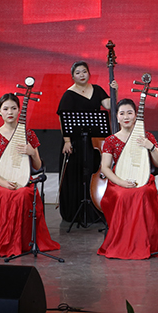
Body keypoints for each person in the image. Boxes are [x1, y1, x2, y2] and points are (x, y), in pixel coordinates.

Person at [97, 98, 158, 259]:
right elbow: (105, 167)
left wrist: (150, 147)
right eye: (122, 113)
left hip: (143, 179)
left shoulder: (147, 136)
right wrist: (121, 182)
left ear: (136, 115)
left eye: (129, 113)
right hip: (118, 181)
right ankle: (123, 243)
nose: (126, 117)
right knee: (123, 195)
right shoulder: (111, 140)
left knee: (142, 193)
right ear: (117, 117)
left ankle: (144, 242)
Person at [0, 94, 60, 257]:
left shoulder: (29, 134)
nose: (10, 112)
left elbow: (38, 166)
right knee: (2, 193)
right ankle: (2, 242)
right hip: (1, 182)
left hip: (23, 181)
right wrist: (2, 182)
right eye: (6, 109)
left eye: (14, 108)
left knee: (23, 194)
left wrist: (32, 153)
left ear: (19, 110)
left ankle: (22, 242)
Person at [56, 60, 117, 222]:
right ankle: (76, 211)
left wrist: (114, 91)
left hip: (94, 141)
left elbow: (109, 105)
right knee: (77, 175)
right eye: (78, 73)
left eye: (84, 71)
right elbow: (63, 119)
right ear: (72, 76)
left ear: (89, 73)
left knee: (93, 171)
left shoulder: (97, 89)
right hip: (75, 141)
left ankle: (94, 209)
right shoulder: (69, 94)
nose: (81, 75)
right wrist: (67, 141)